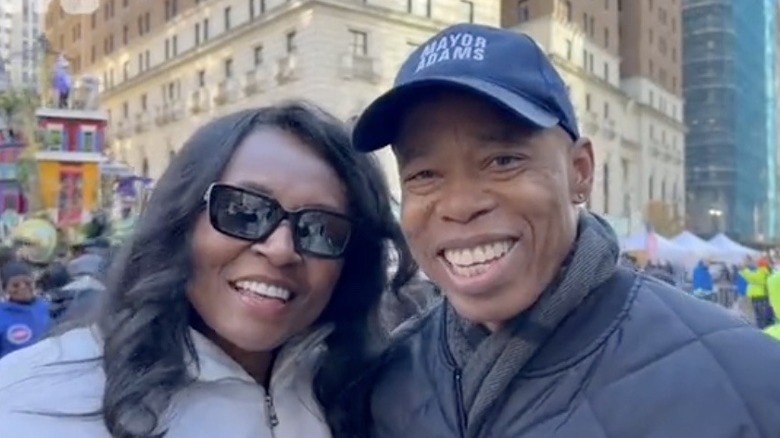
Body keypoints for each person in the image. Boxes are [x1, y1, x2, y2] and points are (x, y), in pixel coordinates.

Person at [350, 23, 780, 437]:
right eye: (424, 174)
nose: (460, 206)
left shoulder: (750, 381)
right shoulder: (385, 384)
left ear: (580, 172)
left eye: (503, 161)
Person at [0, 102, 415, 438]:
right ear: (180, 220)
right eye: (244, 211)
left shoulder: (366, 393)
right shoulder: (32, 400)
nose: (281, 248)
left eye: (322, 229)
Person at [0, 261, 51, 359]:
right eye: (15, 285)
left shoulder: (48, 306)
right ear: (5, 289)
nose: (22, 287)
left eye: (28, 283)